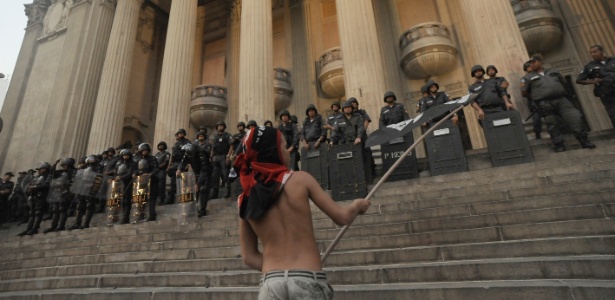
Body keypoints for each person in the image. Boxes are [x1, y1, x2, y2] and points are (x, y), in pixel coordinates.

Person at [235, 126, 370, 300]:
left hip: (271, 284)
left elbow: (249, 257)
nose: (288, 152)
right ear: (273, 150)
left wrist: (278, 269)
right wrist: (357, 206)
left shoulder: (245, 198)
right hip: (307, 279)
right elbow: (342, 217)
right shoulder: (301, 179)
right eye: (283, 146)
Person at [521, 56, 596, 152]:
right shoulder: (527, 78)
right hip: (545, 103)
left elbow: (563, 83)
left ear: (540, 62)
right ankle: (559, 144)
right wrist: (537, 97)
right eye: (530, 62)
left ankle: (583, 140)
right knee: (552, 124)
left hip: (561, 100)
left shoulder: (554, 72)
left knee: (575, 118)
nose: (531, 64)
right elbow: (524, 92)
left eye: (534, 62)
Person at [576, 45, 615, 127]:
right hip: (607, 93)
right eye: (591, 53)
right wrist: (593, 81)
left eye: (595, 52)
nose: (593, 54)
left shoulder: (613, 60)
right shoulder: (589, 66)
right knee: (613, 114)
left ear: (602, 51)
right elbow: (579, 80)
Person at [69, 156, 104, 230]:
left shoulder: (98, 168)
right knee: (79, 206)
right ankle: (77, 223)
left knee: (89, 206)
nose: (90, 162)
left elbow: (99, 178)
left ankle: (86, 223)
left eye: (91, 161)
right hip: (82, 188)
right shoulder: (84, 168)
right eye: (89, 161)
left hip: (91, 188)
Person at [18, 162, 52, 236]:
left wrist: (35, 187)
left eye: (41, 169)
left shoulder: (48, 176)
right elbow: (30, 184)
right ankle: (28, 228)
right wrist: (28, 189)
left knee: (38, 213)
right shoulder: (37, 177)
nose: (39, 170)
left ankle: (35, 228)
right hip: (33, 196)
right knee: (32, 213)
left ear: (45, 169)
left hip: (41, 196)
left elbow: (46, 185)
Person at [43, 159, 74, 233]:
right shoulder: (60, 172)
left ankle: (61, 226)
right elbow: (52, 173)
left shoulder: (72, 172)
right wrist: (54, 165)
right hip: (56, 193)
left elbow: (73, 182)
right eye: (63, 165)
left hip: (65, 193)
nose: (64, 167)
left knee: (62, 209)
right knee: (55, 210)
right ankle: (53, 226)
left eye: (65, 165)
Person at [136, 143, 159, 221]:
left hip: (152, 181)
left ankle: (152, 215)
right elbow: (136, 170)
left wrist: (149, 174)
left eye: (145, 150)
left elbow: (156, 169)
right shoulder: (139, 160)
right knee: (141, 198)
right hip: (141, 182)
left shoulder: (152, 158)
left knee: (152, 198)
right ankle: (141, 214)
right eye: (143, 150)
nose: (144, 152)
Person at [211, 121, 234, 198]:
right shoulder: (215, 137)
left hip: (224, 156)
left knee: (225, 174)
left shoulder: (227, 135)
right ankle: (215, 193)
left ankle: (228, 191)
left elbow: (231, 145)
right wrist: (211, 156)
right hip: (216, 157)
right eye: (218, 126)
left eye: (221, 126)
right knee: (215, 175)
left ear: (224, 127)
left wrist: (228, 156)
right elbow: (213, 148)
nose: (220, 127)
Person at [114, 149, 138, 224]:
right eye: (124, 155)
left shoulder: (132, 163)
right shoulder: (119, 163)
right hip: (119, 184)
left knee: (126, 200)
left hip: (127, 183)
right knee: (119, 201)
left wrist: (121, 177)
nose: (125, 156)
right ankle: (118, 217)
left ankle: (125, 217)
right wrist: (114, 178)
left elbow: (130, 173)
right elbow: (115, 172)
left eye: (127, 155)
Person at [167, 128, 191, 204]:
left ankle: (184, 198)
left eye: (181, 133)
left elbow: (190, 154)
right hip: (175, 164)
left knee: (184, 182)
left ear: (184, 134)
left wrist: (188, 164)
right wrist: (169, 165)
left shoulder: (187, 142)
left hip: (183, 163)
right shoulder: (176, 144)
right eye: (178, 134)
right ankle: (171, 199)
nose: (180, 135)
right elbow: (172, 155)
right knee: (173, 183)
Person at [193, 131, 212, 216]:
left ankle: (202, 209)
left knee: (203, 189)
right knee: (197, 190)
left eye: (202, 136)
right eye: (199, 136)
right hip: (197, 170)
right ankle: (197, 208)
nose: (200, 137)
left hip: (206, 169)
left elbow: (207, 153)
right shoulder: (195, 147)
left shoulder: (207, 145)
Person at [522, 61, 543, 139]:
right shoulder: (524, 79)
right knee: (537, 116)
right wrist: (533, 97)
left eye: (531, 66)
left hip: (545, 98)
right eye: (528, 67)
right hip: (534, 100)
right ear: (526, 69)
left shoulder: (540, 75)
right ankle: (538, 132)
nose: (530, 68)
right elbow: (523, 92)